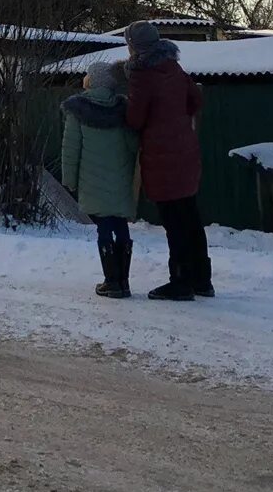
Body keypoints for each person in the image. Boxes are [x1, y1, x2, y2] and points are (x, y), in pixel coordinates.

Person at [122, 21, 211, 301]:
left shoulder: (142, 74)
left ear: (134, 45)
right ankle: (202, 280)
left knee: (174, 220)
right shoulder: (174, 67)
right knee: (190, 216)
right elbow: (196, 100)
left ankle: (181, 282)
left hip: (162, 157)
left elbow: (135, 118)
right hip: (186, 151)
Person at [59, 58, 140, 298]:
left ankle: (111, 281)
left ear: (92, 81)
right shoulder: (122, 109)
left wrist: (69, 179)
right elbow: (132, 144)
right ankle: (123, 281)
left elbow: (71, 149)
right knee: (121, 225)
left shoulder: (79, 110)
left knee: (103, 227)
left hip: (91, 179)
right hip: (120, 178)